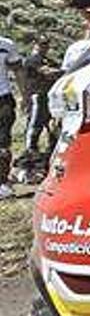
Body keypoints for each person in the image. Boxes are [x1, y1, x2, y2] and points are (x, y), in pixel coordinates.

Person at [13, 39, 60, 183]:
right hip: (37, 97)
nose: (44, 46)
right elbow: (49, 73)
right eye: (41, 44)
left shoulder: (49, 60)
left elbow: (56, 72)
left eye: (46, 44)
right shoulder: (31, 60)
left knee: (53, 131)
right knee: (33, 131)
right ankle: (26, 165)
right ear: (35, 44)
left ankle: (46, 164)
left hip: (50, 98)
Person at [0, 36, 19, 198]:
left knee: (3, 143)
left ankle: (2, 182)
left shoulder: (6, 44)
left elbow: (18, 71)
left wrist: (26, 96)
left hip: (3, 98)